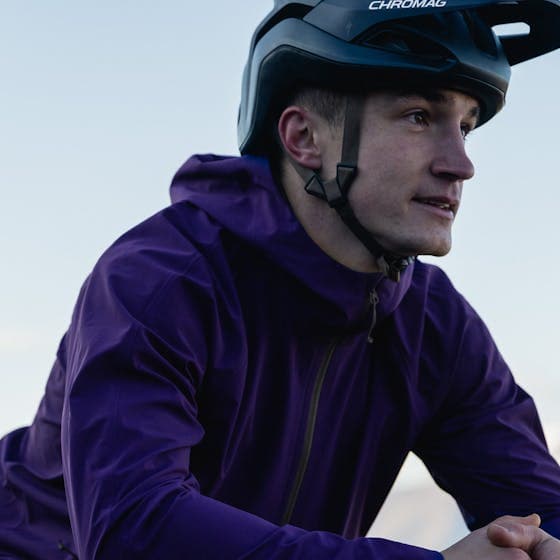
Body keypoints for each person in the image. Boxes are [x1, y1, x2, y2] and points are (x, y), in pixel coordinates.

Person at [1, 0, 560, 558]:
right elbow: (134, 528)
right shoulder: (163, 279)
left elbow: (542, 507)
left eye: (465, 126)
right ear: (304, 138)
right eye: (419, 116)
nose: (461, 163)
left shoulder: (434, 325)